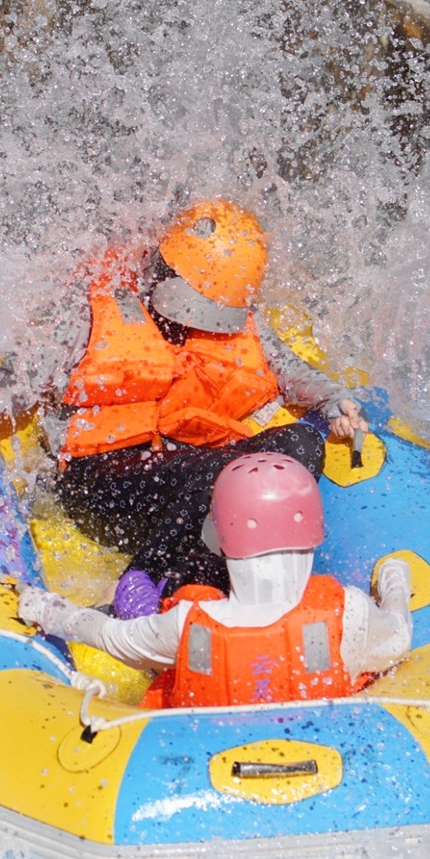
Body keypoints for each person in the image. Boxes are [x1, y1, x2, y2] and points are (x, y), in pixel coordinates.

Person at [20, 197, 368, 606]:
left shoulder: (241, 317)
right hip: (105, 470)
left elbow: (292, 371)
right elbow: (23, 372)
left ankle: (202, 580)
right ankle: (134, 589)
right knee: (223, 477)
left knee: (300, 444)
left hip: (190, 470)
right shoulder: (101, 306)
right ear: (165, 271)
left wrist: (338, 403)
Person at [18, 452, 413, 707]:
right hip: (321, 761)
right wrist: (394, 581)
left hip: (199, 759)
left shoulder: (186, 625)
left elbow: (106, 635)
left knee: (144, 608)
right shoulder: (349, 612)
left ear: (219, 535)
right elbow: (399, 637)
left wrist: (47, 609)